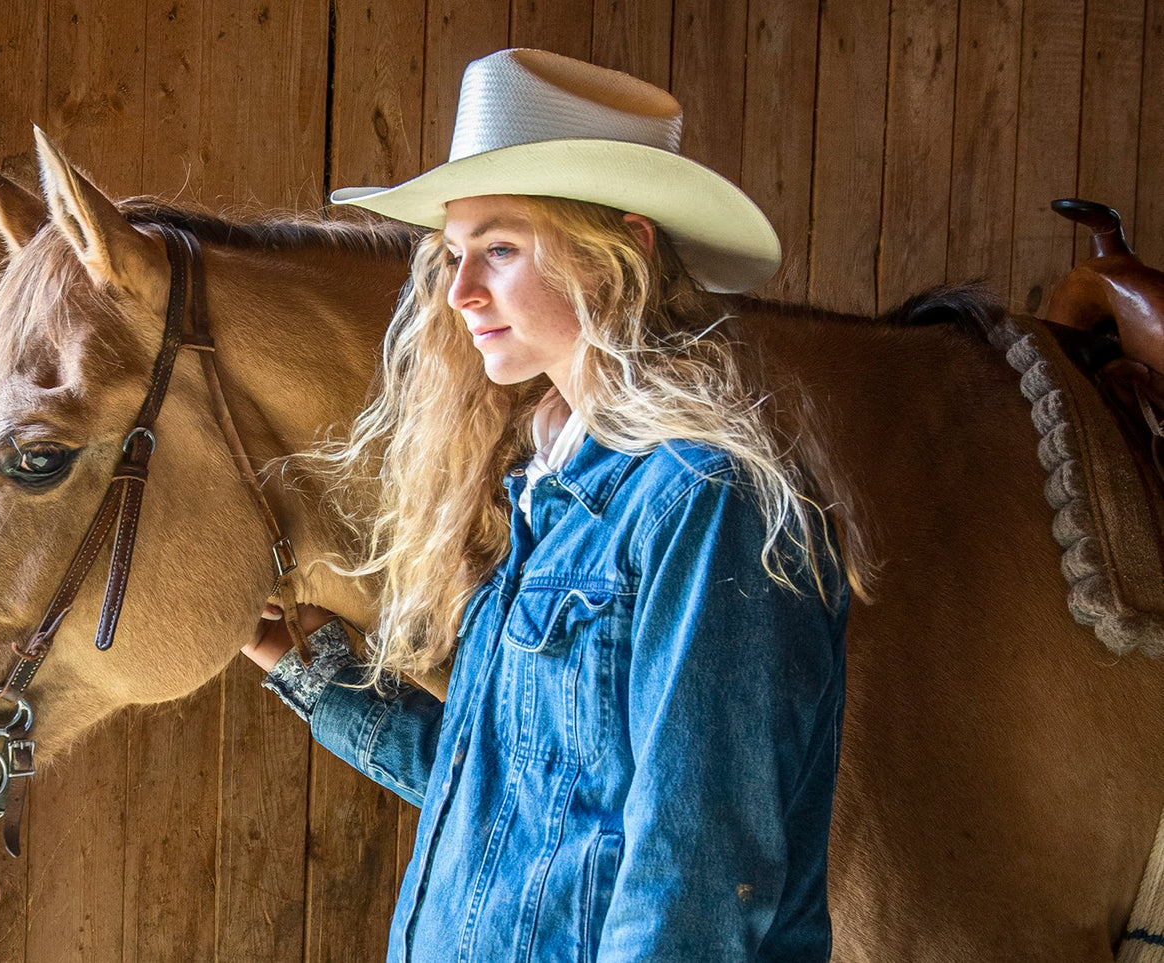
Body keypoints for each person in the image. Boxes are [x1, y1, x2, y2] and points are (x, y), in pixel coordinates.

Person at [242, 48, 860, 961]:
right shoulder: (547, 500)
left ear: (619, 253)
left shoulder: (702, 503)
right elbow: (509, 800)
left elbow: (689, 889)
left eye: (499, 248)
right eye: (454, 254)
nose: (458, 292)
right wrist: (306, 669)